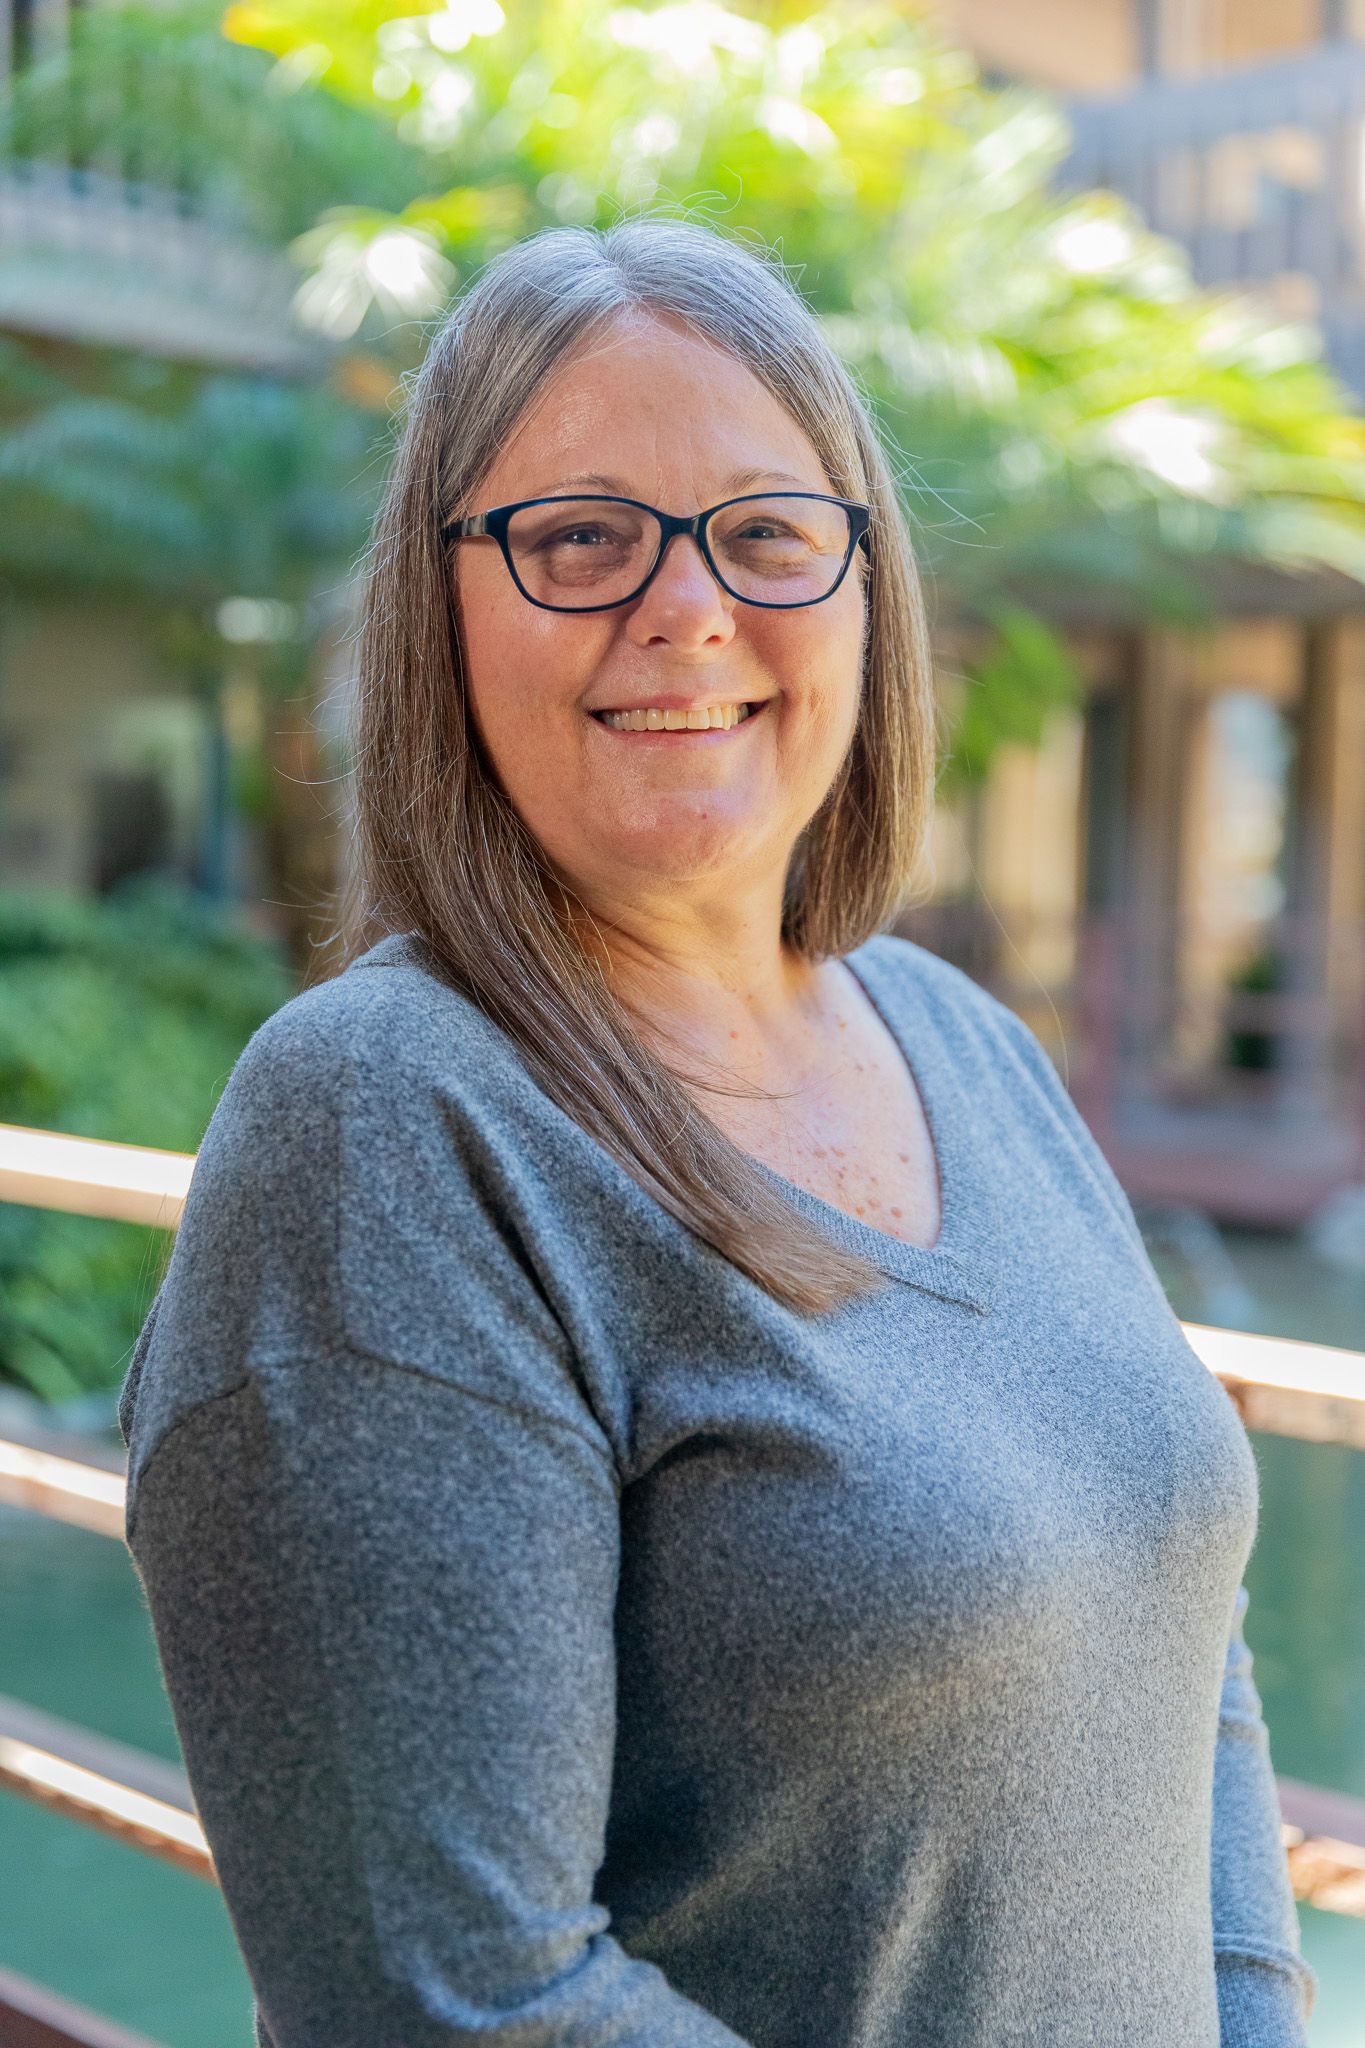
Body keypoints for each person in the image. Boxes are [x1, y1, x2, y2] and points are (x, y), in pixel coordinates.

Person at [118, 212, 1316, 2048]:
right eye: (577, 539)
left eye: (765, 533)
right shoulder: (385, 1128)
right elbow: (453, 2001)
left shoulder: (960, 1041)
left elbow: (1177, 1650)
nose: (685, 609)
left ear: (861, 591)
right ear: (441, 607)